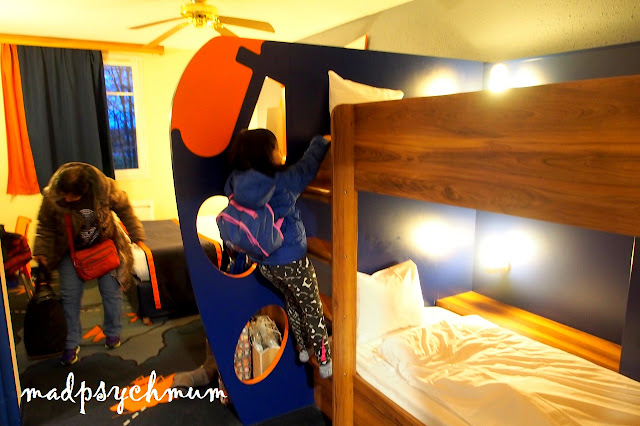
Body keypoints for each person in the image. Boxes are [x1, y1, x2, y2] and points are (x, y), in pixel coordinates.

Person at [223, 128, 332, 379]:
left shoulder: (235, 180)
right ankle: (325, 360)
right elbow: (307, 167)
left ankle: (303, 349)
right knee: (312, 306)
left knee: (292, 300)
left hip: (263, 262)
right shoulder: (280, 180)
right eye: (277, 148)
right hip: (291, 258)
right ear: (268, 152)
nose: (280, 152)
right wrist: (320, 141)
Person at [33, 162, 145, 366]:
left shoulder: (105, 188)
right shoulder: (52, 197)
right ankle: (71, 343)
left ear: (84, 190)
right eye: (65, 195)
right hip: (70, 252)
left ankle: (113, 333)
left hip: (104, 248)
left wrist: (136, 234)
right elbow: (45, 226)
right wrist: (41, 251)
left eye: (72, 196)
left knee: (111, 293)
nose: (67, 199)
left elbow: (125, 209)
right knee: (69, 298)